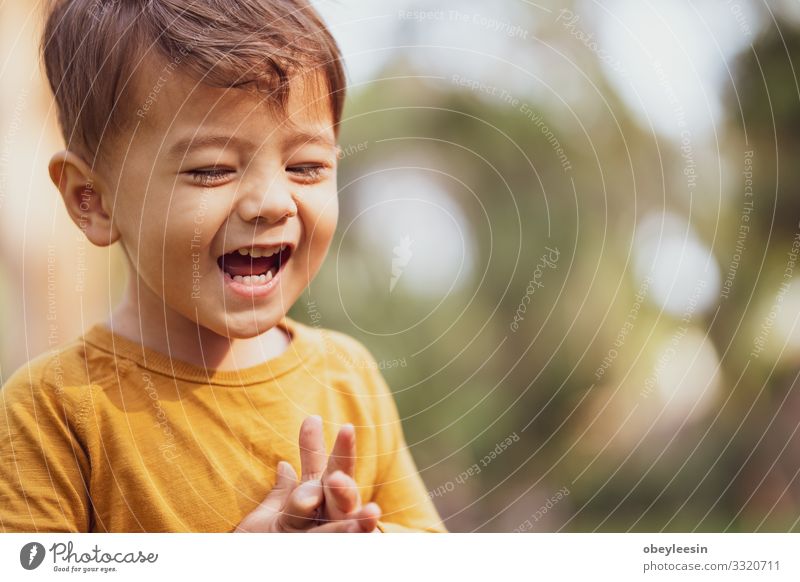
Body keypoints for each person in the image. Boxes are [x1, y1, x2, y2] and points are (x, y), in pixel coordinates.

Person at [0, 0, 446, 533]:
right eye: (212, 170)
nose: (272, 202)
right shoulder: (53, 411)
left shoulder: (349, 379)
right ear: (91, 199)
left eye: (306, 167)